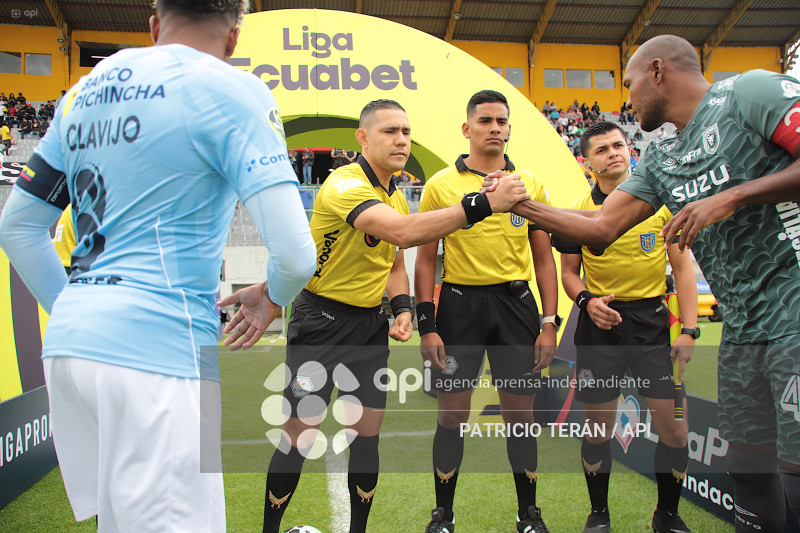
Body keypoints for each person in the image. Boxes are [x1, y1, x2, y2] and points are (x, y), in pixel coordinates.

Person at [0, 1, 318, 531]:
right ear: (233, 37)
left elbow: (18, 227)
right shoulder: (231, 89)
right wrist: (272, 296)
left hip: (71, 348)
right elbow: (295, 252)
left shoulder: (84, 90)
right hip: (157, 350)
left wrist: (82, 310)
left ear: (154, 25)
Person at [485, 34, 800, 533]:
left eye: (629, 84)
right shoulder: (661, 158)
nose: (627, 100)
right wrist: (516, 203)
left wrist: (733, 197)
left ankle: (666, 514)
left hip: (792, 316)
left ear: (657, 71)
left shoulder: (749, 91)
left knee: (794, 475)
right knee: (747, 469)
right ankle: (601, 512)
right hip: (741, 334)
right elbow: (599, 227)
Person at [261, 99, 529, 533]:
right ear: (363, 138)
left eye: (406, 131)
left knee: (366, 437)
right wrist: (482, 204)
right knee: (298, 435)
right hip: (321, 322)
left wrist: (402, 308)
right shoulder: (344, 184)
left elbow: (392, 264)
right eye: (389, 131)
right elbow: (402, 234)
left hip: (369, 326)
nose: (401, 140)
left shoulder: (397, 195)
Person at [415, 90, 559, 533]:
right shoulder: (441, 184)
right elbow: (425, 259)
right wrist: (427, 325)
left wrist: (549, 322)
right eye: (485, 120)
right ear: (467, 128)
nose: (494, 128)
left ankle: (528, 514)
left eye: (501, 120)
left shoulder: (529, 183)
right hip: (459, 308)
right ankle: (443, 515)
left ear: (509, 128)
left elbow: (544, 260)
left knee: (521, 417)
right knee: (451, 417)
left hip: (516, 308)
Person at [553, 121, 697, 532]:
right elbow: (569, 274)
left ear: (630, 150)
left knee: (675, 431)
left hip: (653, 327)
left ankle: (667, 516)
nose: (613, 152)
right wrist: (587, 302)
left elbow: (682, 269)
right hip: (600, 329)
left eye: (618, 144)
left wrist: (689, 330)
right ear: (587, 162)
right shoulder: (577, 211)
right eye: (602, 149)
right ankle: (599, 514)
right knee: (599, 430)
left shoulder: (661, 204)